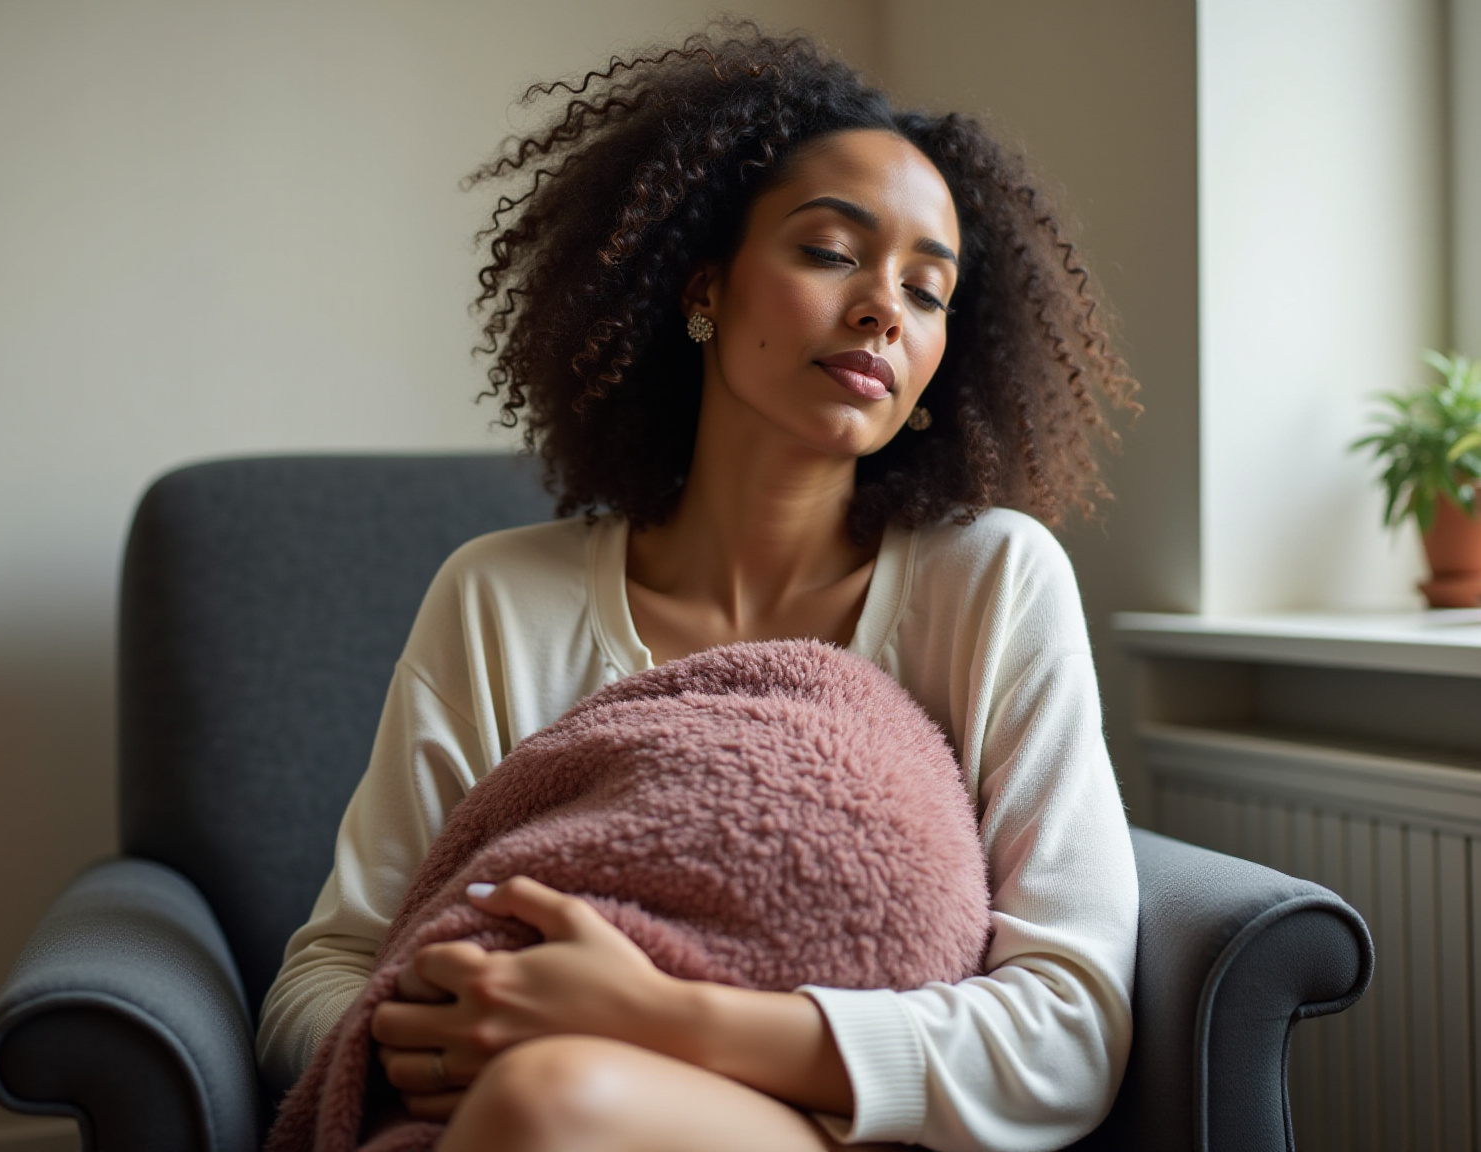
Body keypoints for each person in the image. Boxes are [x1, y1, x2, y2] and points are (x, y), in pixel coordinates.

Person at [257, 26, 1142, 1152]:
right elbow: (321, 977)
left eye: (928, 292)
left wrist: (654, 1019)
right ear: (702, 289)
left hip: (843, 1134)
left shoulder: (991, 579)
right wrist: (445, 1030)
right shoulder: (497, 600)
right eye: (832, 252)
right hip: (498, 1117)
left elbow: (1066, 1033)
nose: (884, 308)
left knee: (549, 1102)